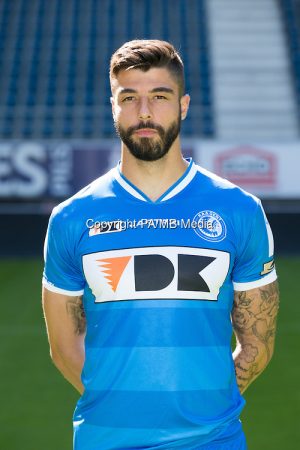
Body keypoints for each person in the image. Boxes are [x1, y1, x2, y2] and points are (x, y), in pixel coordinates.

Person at [42, 39, 279, 450]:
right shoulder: (71, 218)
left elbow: (258, 344)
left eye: (160, 96)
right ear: (112, 106)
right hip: (105, 440)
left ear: (183, 105)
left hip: (213, 440)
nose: (145, 111)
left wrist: (204, 409)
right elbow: (64, 349)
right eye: (129, 97)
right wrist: (122, 406)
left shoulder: (240, 210)